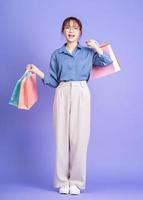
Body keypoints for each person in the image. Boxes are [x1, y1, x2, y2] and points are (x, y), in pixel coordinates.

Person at [26, 16, 113, 195]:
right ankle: (62, 181)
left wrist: (97, 49)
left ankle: (76, 182)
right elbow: (52, 80)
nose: (71, 30)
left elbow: (107, 63)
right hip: (62, 91)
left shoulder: (88, 53)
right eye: (67, 27)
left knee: (80, 137)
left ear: (80, 32)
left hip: (81, 91)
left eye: (75, 28)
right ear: (63, 31)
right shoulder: (57, 54)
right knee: (61, 136)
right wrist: (37, 71)